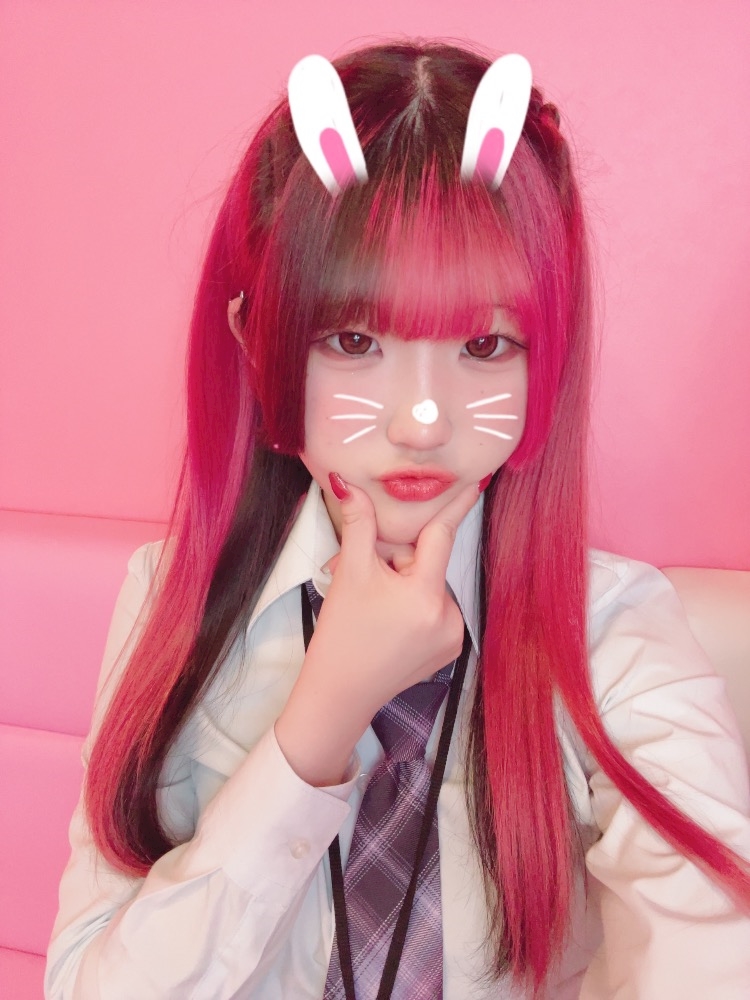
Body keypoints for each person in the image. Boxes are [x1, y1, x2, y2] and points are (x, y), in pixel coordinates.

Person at [45, 39, 750, 1000]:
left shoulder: (610, 632)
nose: (422, 422)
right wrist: (318, 723)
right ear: (257, 343)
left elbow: (710, 935)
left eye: (485, 344)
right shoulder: (176, 600)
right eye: (353, 339)